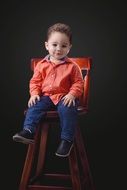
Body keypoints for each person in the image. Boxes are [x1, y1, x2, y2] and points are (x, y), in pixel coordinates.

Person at [13, 23, 84, 157]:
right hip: (46, 97)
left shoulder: (73, 67)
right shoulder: (41, 65)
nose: (58, 49)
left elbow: (78, 83)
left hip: (64, 97)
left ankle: (67, 139)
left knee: (67, 108)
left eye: (64, 46)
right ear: (47, 45)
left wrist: (72, 94)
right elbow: (35, 82)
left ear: (69, 48)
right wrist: (34, 94)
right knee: (34, 106)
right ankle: (28, 131)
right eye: (54, 44)